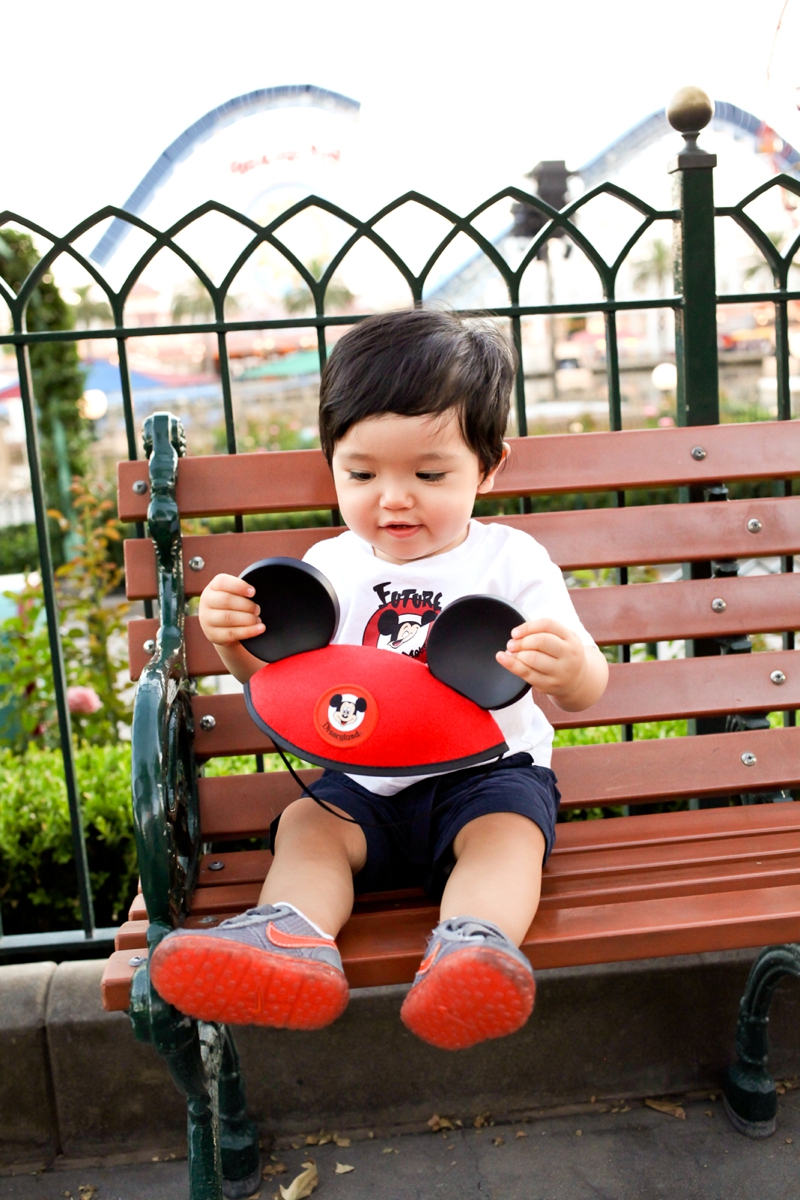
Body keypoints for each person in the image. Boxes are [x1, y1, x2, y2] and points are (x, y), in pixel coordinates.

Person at [150, 309, 608, 1050]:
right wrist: (234, 642)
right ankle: (289, 938)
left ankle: (472, 949)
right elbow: (283, 687)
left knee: (508, 837)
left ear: (489, 466)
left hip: (488, 776)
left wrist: (572, 667)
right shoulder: (330, 566)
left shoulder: (511, 561)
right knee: (308, 826)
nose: (394, 497)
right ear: (331, 462)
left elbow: (585, 690)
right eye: (361, 474)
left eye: (430, 474)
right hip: (361, 782)